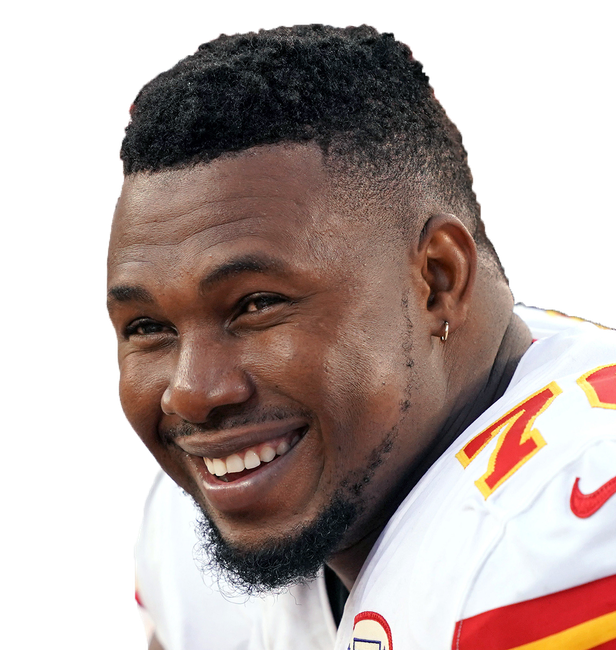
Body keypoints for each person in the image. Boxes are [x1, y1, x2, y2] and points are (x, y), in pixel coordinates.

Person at [105, 23, 616, 650]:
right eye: (148, 327)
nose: (192, 394)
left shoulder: (565, 530)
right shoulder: (193, 526)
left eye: (257, 305)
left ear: (437, 280)